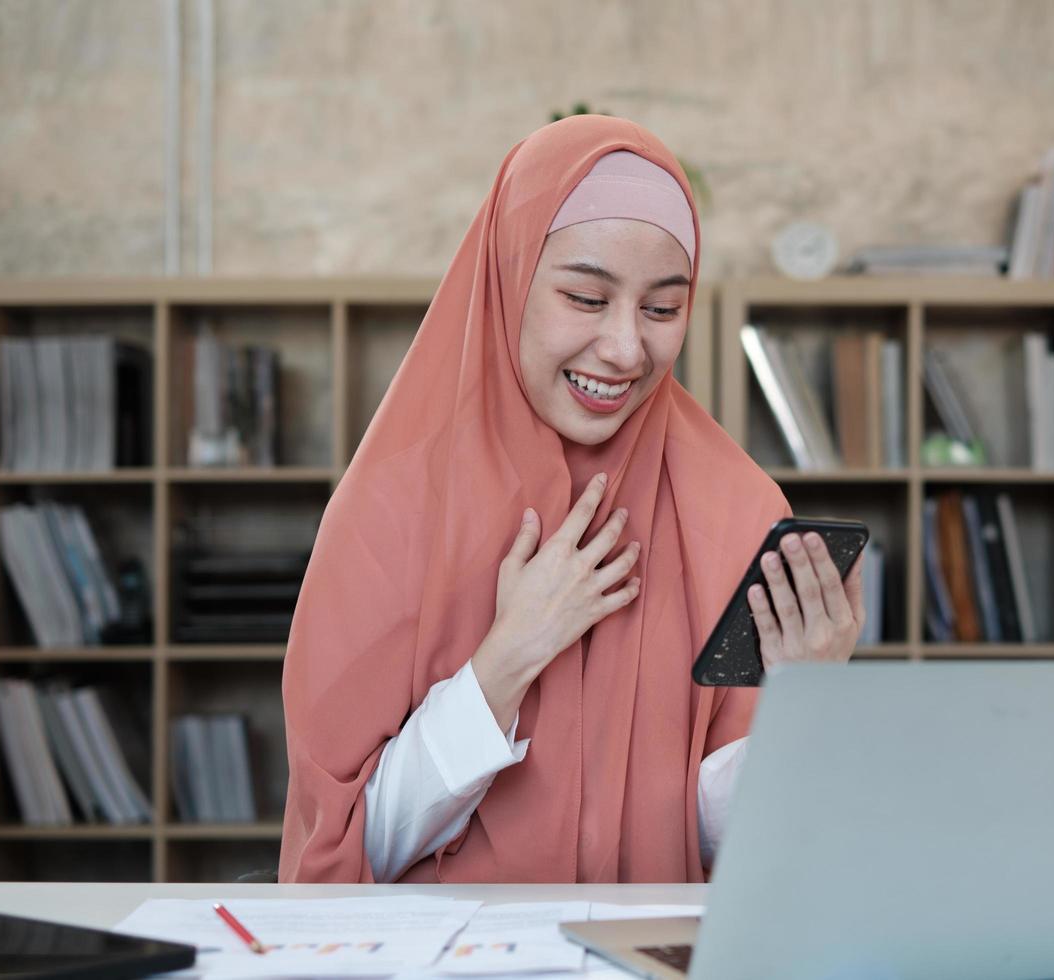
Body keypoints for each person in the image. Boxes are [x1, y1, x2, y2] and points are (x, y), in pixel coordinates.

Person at [279, 115, 865, 884]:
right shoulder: (392, 508)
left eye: (662, 310)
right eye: (586, 299)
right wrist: (509, 657)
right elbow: (350, 854)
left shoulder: (736, 506)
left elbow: (730, 854)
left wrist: (804, 706)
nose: (626, 349)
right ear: (509, 281)